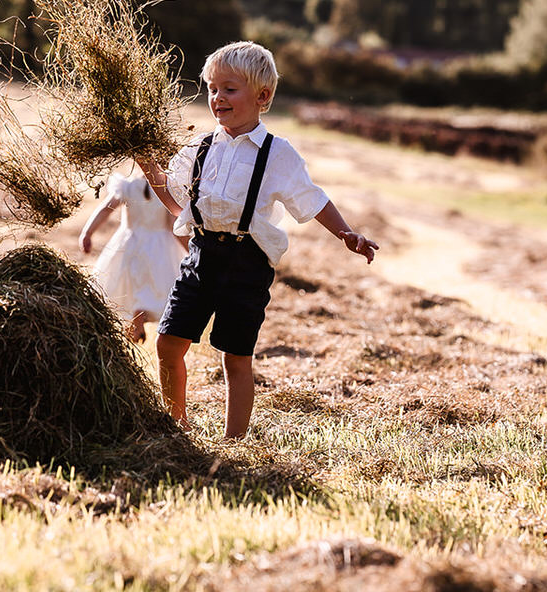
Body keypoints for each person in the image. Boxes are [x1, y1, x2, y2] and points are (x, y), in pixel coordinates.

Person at [135, 41, 378, 439]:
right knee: (168, 342)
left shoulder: (277, 153)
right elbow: (174, 197)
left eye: (229, 89)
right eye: (212, 89)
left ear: (262, 96)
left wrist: (346, 234)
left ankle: (235, 440)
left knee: (235, 356)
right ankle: (175, 425)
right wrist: (148, 164)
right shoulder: (199, 147)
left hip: (246, 265)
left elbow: (312, 198)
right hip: (200, 256)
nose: (217, 98)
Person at [80, 168, 188, 344]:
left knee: (128, 285)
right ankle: (141, 314)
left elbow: (105, 209)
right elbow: (174, 227)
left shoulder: (127, 185)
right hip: (159, 245)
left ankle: (135, 318)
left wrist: (87, 232)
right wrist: (191, 251)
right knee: (156, 288)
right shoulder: (166, 189)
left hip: (129, 242)